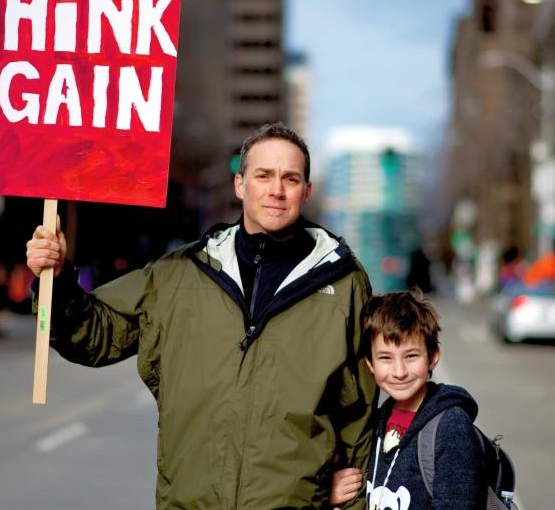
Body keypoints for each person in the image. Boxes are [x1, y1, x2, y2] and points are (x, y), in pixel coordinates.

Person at [25, 122, 377, 509]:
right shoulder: (178, 273)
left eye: (290, 179)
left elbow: (358, 414)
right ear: (240, 185)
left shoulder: (343, 283)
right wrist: (56, 281)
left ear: (306, 192)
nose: (276, 190)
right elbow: (93, 335)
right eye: (263, 176)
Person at [330, 289, 486, 509]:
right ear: (370, 364)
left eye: (411, 356)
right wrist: (329, 495)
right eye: (385, 358)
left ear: (433, 357)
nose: (400, 371)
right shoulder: (373, 423)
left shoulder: (451, 427)